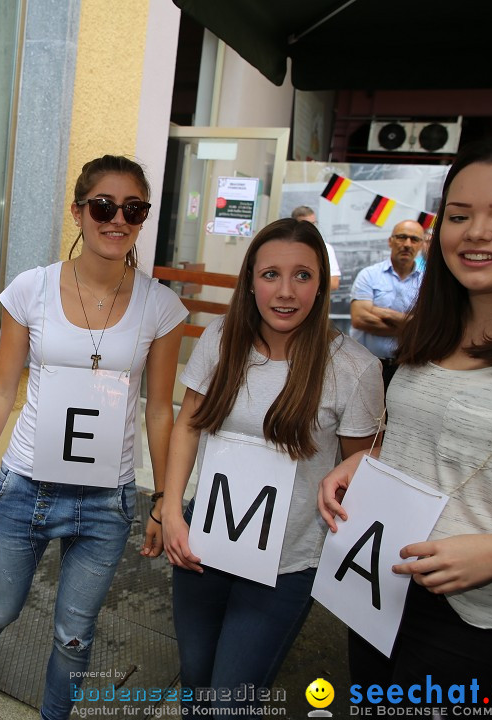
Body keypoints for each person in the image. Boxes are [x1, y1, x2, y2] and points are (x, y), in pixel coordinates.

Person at [0, 155, 187, 720]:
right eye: (104, 206)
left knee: (74, 635)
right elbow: (3, 390)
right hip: (26, 484)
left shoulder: (161, 306)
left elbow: (159, 410)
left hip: (107, 497)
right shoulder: (31, 290)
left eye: (134, 209)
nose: (117, 220)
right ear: (78, 211)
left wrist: (163, 500)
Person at [320, 136, 492, 709]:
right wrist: (368, 461)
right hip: (379, 588)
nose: (477, 232)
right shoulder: (430, 331)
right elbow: (430, 439)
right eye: (460, 216)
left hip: (481, 626)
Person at [160, 218, 384, 715]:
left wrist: (356, 471)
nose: (285, 292)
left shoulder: (354, 368)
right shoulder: (221, 337)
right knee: (195, 681)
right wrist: (172, 511)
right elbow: (188, 424)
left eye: (302, 275)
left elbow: (365, 465)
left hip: (287, 566)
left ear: (323, 283)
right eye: (271, 275)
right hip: (203, 544)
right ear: (250, 280)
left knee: (230, 703)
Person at [349, 219, 425, 387]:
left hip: (408, 370)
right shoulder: (369, 275)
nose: (407, 244)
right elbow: (360, 319)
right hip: (366, 366)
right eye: (401, 237)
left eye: (414, 239)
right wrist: (409, 326)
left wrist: (378, 311)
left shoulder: (427, 283)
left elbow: (426, 326)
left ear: (421, 245)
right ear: (390, 241)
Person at [291, 205, 340, 290]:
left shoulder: (326, 249)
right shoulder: (284, 248)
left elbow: (334, 283)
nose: (311, 228)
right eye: (306, 224)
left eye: (314, 223)